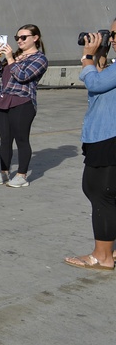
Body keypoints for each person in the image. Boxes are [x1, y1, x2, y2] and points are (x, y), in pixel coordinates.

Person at [63, 25, 116, 271]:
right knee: (104, 193)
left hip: (108, 138)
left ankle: (102, 256)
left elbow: (94, 83)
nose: (111, 38)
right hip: (104, 136)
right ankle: (109, 252)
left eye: (115, 35)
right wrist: (100, 57)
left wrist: (86, 57)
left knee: (101, 194)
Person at [0, 25, 48, 187]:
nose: (19, 41)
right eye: (17, 38)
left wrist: (10, 59)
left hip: (22, 102)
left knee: (21, 139)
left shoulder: (39, 58)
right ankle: (4, 173)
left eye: (24, 37)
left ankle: (21, 175)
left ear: (35, 38)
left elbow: (22, 76)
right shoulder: (16, 55)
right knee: (5, 140)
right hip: (3, 101)